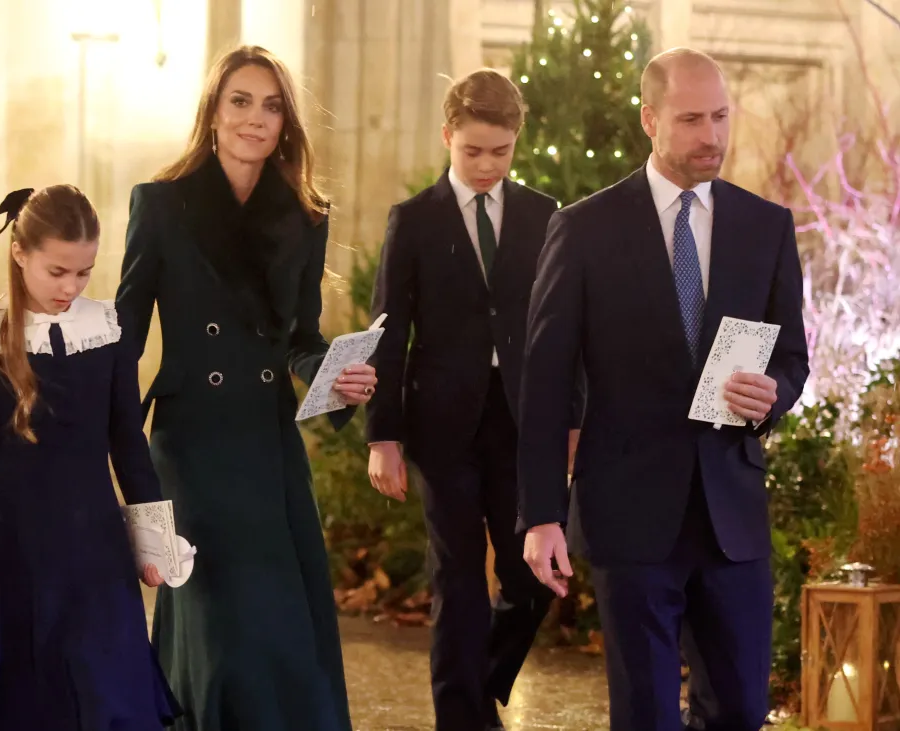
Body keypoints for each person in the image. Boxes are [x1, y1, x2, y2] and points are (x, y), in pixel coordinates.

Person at [517, 47, 809, 731]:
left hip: (731, 513)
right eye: (690, 120)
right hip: (628, 510)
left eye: (720, 117)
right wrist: (540, 514)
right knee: (645, 713)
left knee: (738, 708)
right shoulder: (584, 228)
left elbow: (792, 355)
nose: (711, 136)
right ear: (649, 119)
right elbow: (546, 377)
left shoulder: (766, 227)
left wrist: (774, 391)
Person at [115, 45, 376, 731]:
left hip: (266, 439)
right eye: (240, 101)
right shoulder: (161, 205)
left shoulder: (306, 215)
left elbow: (301, 338)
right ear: (213, 111)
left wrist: (336, 375)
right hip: (190, 441)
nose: (255, 118)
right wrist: (86, 422)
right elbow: (128, 334)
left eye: (270, 105)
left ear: (286, 122)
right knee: (220, 624)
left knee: (279, 623)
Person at [365, 69, 583, 731]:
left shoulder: (545, 215)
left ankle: (480, 674)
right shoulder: (415, 220)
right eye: (472, 152)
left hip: (525, 421)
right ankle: (463, 717)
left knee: (536, 574)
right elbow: (388, 329)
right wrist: (383, 436)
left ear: (517, 141)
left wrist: (572, 419)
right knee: (457, 577)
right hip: (444, 422)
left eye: (500, 151)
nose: (486, 166)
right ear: (447, 137)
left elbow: (565, 330)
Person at [0, 185, 179, 731]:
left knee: (112, 679)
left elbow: (127, 439)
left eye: (84, 272)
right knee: (29, 689)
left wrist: (154, 538)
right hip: (16, 543)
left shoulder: (109, 327)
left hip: (96, 538)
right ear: (20, 253)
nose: (70, 287)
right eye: (57, 271)